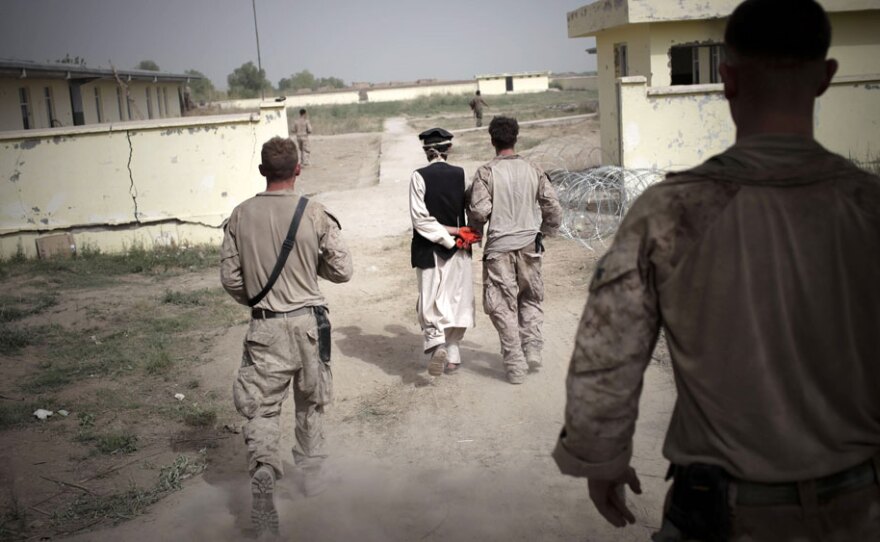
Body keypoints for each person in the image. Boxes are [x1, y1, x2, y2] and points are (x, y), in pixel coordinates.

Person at [552, 1, 880, 540]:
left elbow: (608, 352)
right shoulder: (867, 206)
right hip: (862, 505)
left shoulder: (671, 211)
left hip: (721, 511)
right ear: (825, 79)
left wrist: (600, 456)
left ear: (726, 78)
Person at [221, 136, 352, 538]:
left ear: (263, 171)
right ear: (298, 169)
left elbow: (229, 278)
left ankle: (264, 468)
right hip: (310, 324)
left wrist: (260, 298)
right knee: (311, 402)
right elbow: (342, 269)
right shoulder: (315, 213)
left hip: (265, 327)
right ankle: (312, 477)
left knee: (261, 409)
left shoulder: (240, 216)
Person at [467, 116, 562, 384]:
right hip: (530, 244)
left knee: (502, 305)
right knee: (530, 297)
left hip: (499, 249)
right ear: (516, 138)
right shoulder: (534, 168)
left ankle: (515, 363)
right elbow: (552, 206)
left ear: (492, 140)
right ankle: (532, 348)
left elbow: (480, 210)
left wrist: (475, 233)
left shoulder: (486, 173)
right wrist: (545, 232)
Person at [409, 128, 478, 377]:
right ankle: (453, 354)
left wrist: (447, 234)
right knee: (456, 298)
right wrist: (462, 232)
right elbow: (474, 208)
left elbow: (420, 220)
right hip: (460, 247)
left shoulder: (418, 177)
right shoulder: (461, 174)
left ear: (428, 151)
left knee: (430, 298)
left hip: (428, 249)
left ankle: (436, 343)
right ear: (448, 149)